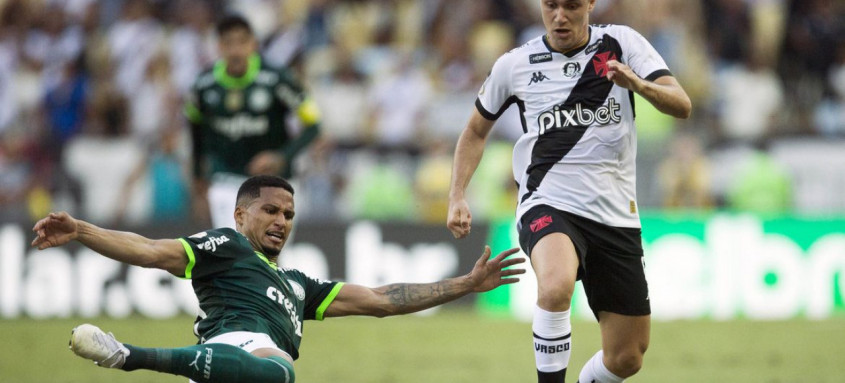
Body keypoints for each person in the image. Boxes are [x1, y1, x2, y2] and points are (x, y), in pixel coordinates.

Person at [31, 175, 525, 383]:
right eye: (270, 210)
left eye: (288, 213)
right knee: (281, 369)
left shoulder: (297, 283)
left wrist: (465, 284)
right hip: (235, 349)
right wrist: (81, 230)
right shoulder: (227, 245)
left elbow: (380, 298)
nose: (281, 221)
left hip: (225, 372)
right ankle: (130, 356)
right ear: (241, 214)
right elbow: (149, 251)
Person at [446, 1, 691, 383]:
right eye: (551, 5)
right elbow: (476, 130)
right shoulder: (515, 64)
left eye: (572, 5)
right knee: (556, 284)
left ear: (591, 4)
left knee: (627, 356)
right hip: (548, 200)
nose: (560, 16)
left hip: (614, 214)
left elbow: (682, 104)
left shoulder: (622, 43)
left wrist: (638, 85)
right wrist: (457, 194)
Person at [185, 15, 321, 229]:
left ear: (253, 44)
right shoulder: (203, 86)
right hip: (227, 180)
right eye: (229, 43)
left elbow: (313, 125)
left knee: (270, 255)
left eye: (242, 42)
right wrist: (197, 178)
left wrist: (282, 156)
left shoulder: (277, 79)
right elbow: (195, 132)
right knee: (238, 249)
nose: (236, 51)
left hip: (276, 180)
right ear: (219, 46)